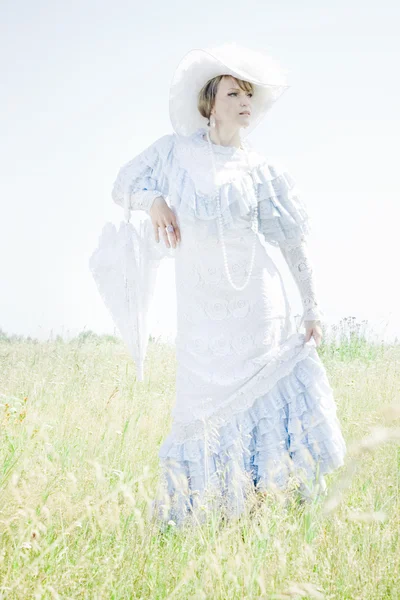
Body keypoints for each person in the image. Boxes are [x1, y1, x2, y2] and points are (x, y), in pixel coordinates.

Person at [109, 43, 347, 528]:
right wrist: (155, 200)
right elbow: (123, 183)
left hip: (257, 306)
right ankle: (207, 516)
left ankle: (258, 514)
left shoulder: (262, 170)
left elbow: (292, 244)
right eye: (234, 92)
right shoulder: (172, 152)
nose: (244, 102)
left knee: (260, 402)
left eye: (249, 95)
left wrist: (312, 307)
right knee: (200, 410)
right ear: (209, 102)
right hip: (199, 312)